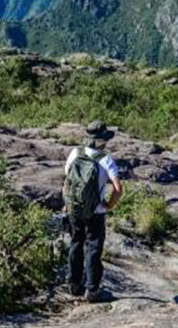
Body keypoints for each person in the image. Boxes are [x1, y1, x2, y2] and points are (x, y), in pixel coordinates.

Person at [63, 120, 122, 302]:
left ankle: (73, 285)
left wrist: (67, 203)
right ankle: (92, 290)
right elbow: (118, 189)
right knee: (93, 249)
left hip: (74, 209)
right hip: (95, 212)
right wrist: (108, 205)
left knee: (75, 244)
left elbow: (67, 181)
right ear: (102, 139)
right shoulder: (105, 159)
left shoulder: (75, 153)